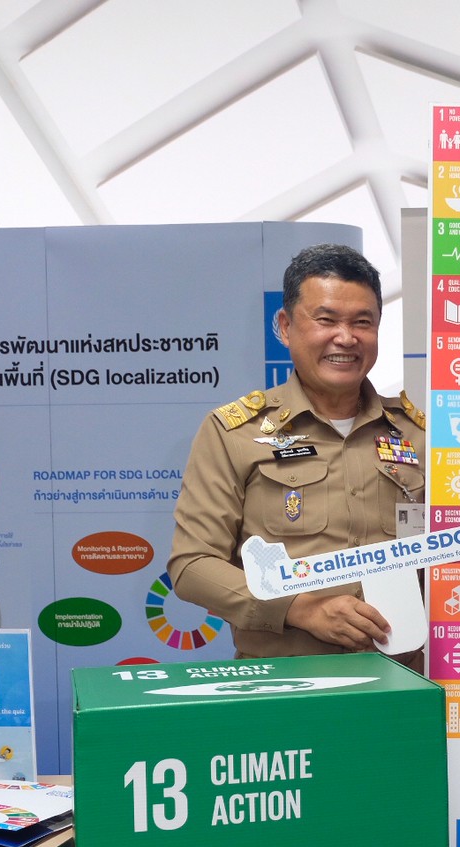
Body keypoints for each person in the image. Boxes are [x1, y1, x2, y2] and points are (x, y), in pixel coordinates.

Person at [170, 244, 426, 666]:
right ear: (286, 327)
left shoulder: (418, 434)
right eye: (326, 320)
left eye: (362, 322)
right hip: (282, 681)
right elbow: (192, 565)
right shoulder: (234, 433)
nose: (346, 337)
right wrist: (301, 610)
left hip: (403, 678)